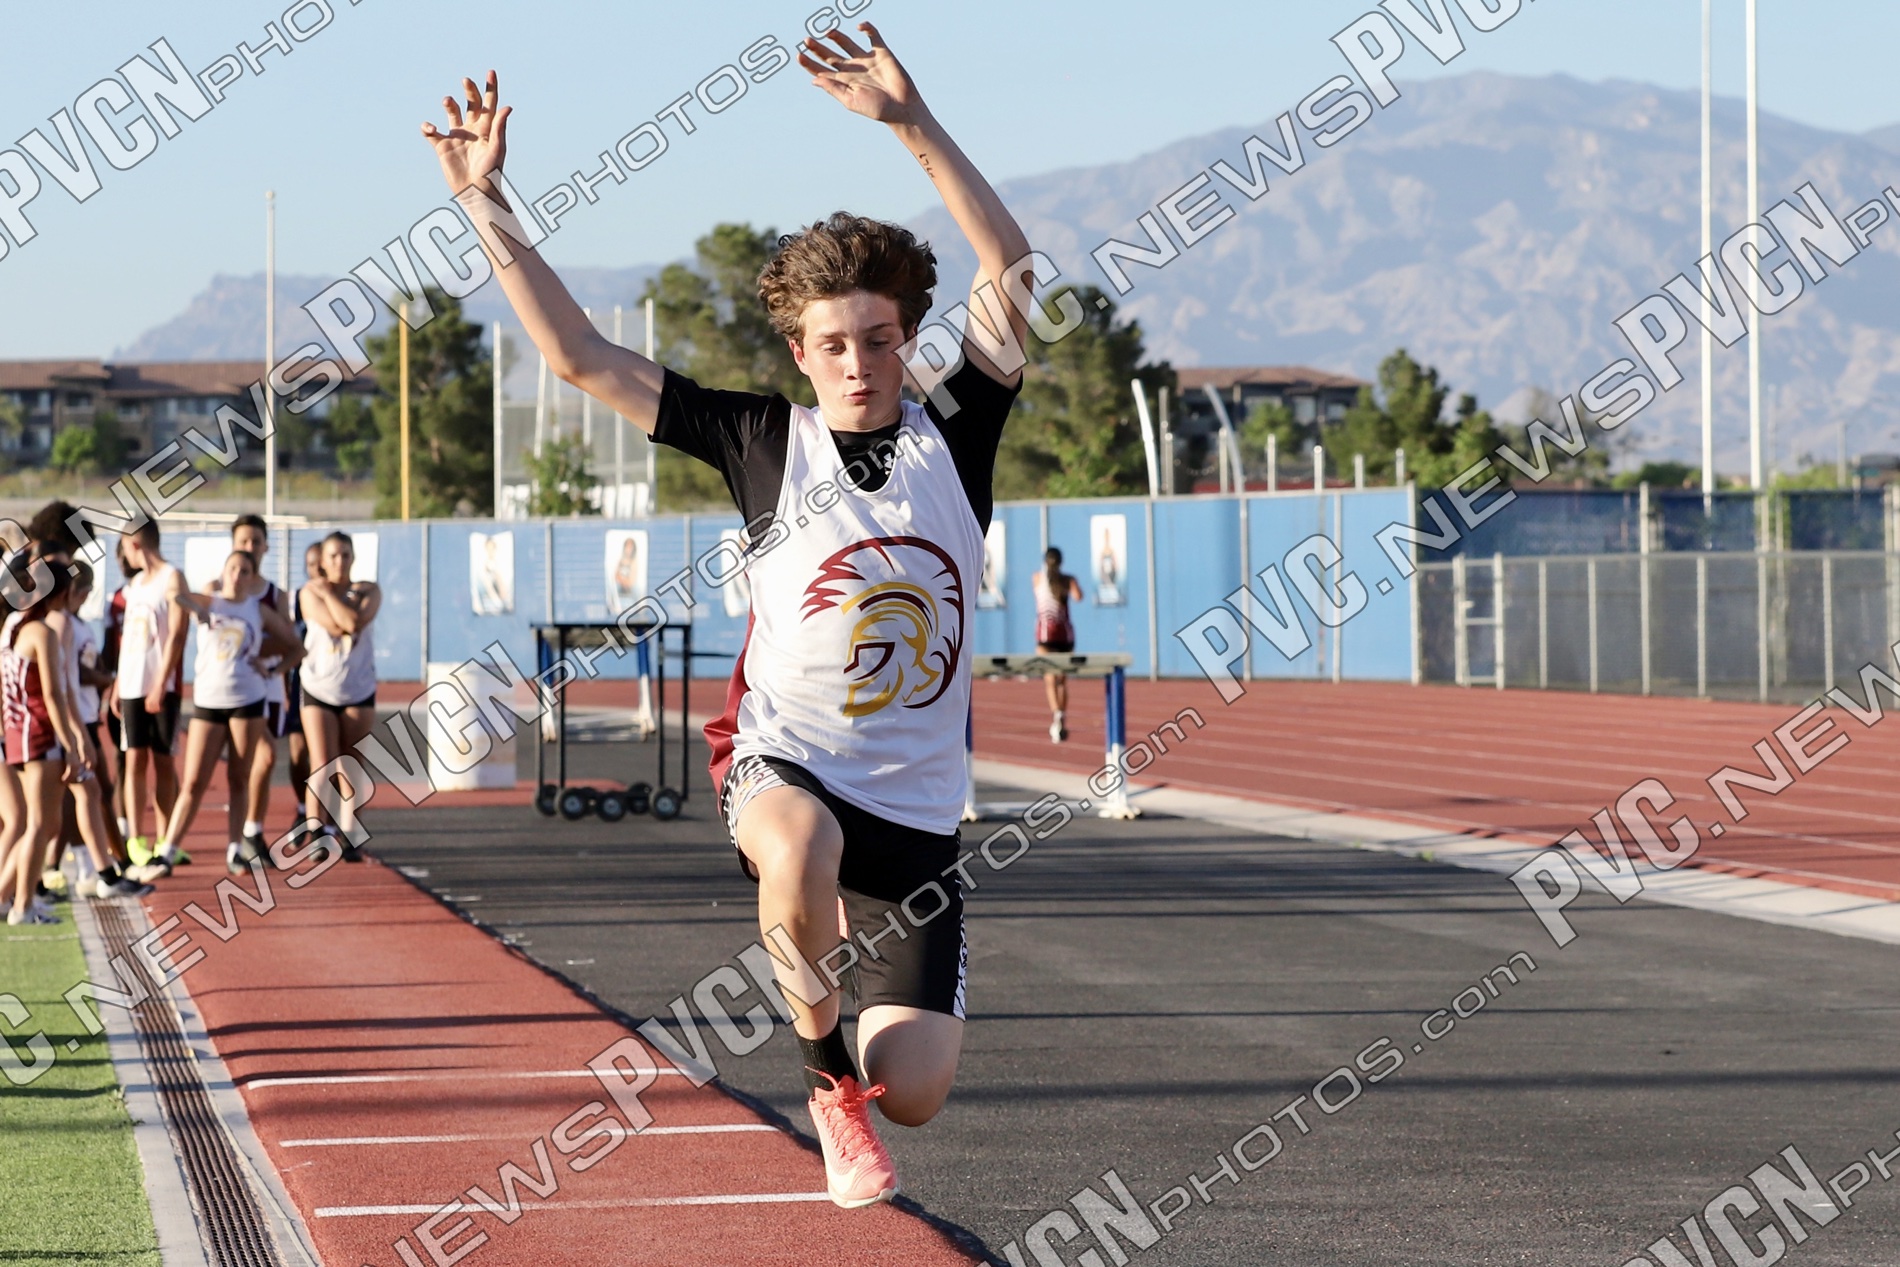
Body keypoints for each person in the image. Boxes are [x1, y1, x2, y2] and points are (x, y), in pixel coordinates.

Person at [421, 26, 1031, 1208]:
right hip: (785, 756)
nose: (858, 364)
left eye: (879, 340)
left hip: (916, 810)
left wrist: (914, 125)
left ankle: (867, 1044)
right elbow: (577, 355)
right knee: (798, 848)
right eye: (833, 345)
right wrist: (485, 202)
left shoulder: (955, 435)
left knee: (916, 1086)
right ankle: (824, 1086)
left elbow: (1008, 269)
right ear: (800, 353)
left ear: (906, 339)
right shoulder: (761, 439)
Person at [147, 549, 302, 878]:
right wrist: (197, 608)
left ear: (252, 577)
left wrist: (273, 670)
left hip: (248, 700)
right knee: (193, 781)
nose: (237, 575)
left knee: (238, 777)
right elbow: (174, 595)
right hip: (208, 700)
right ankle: (166, 851)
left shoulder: (258, 609)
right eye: (232, 568)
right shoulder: (210, 601)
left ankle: (235, 849)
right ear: (223, 571)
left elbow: (296, 646)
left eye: (245, 571)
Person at [51, 561, 149, 898]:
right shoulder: (57, 624)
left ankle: (96, 868)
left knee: (88, 793)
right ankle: (101, 867)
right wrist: (105, 680)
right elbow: (65, 679)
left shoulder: (74, 624)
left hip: (82, 717)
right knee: (69, 801)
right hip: (71, 720)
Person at [5, 564, 92, 925]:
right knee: (39, 825)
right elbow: (54, 695)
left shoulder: (16, 626)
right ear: (62, 594)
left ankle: (11, 897)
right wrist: (71, 744)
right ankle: (22, 906)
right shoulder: (43, 632)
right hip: (37, 733)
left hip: (18, 733)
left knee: (44, 824)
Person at [298, 532, 379, 862]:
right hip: (319, 687)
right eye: (333, 556)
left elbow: (352, 623)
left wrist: (331, 594)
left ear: (353, 558)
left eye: (345, 555)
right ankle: (317, 832)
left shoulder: (369, 590)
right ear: (322, 560)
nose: (340, 561)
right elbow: (335, 626)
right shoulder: (308, 592)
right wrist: (331, 595)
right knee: (323, 762)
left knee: (352, 763)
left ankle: (350, 834)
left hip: (358, 687)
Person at [111, 523, 188, 870]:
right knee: (134, 760)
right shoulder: (135, 584)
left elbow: (178, 633)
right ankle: (136, 840)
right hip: (131, 685)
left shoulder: (172, 578)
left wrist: (160, 683)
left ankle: (165, 839)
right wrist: (118, 683)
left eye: (125, 545)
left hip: (162, 687)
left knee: (164, 762)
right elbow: (129, 638)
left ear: (135, 543)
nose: (124, 554)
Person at [226, 514, 294, 864]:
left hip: (266, 686)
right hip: (226, 688)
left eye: (256, 541)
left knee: (265, 758)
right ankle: (171, 844)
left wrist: (267, 657)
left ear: (266, 547)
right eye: (243, 541)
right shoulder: (218, 590)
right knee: (231, 765)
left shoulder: (275, 596)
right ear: (233, 545)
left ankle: (252, 830)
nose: (250, 547)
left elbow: (289, 642)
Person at [284, 542, 321, 853]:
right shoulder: (295, 600)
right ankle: (302, 807)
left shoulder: (346, 597)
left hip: (334, 684)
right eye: (311, 564)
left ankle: (327, 820)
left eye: (321, 563)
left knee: (328, 756)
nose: (317, 569)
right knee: (298, 754)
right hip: (301, 682)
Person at [1032, 547, 1084, 743]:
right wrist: (1069, 583)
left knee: (1050, 679)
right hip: (1064, 635)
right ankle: (1060, 715)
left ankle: (1056, 716)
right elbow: (1079, 597)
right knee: (1061, 680)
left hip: (1046, 635)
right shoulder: (1067, 580)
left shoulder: (1037, 578)